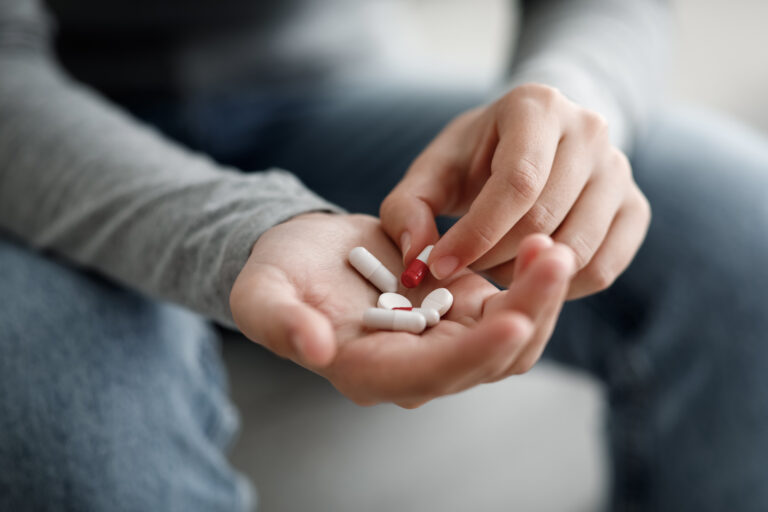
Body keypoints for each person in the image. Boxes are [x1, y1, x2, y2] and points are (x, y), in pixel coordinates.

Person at [1, 0, 766, 510]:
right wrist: (246, 231)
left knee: (747, 243)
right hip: (30, 137)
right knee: (82, 438)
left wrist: (572, 96)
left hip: (309, 90)